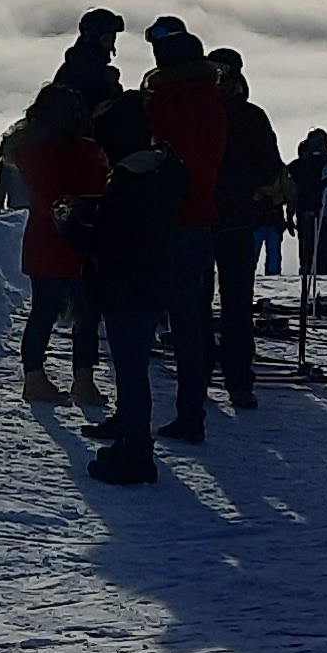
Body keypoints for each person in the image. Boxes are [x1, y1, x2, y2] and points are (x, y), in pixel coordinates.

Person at [60, 122, 185, 483]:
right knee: (134, 368)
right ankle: (133, 440)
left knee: (130, 372)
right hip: (152, 283)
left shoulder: (127, 182)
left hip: (124, 288)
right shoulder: (164, 170)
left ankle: (136, 453)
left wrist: (68, 224)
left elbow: (105, 238)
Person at [137, 24, 230, 442]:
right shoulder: (216, 105)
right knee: (193, 320)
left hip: (165, 220)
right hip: (203, 216)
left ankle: (133, 415)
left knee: (140, 316)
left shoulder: (160, 106)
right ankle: (192, 411)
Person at [9, 86, 110, 406]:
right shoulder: (82, 151)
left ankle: (35, 377)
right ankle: (83, 380)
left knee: (44, 311)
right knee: (86, 314)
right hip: (80, 236)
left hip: (44, 238)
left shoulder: (29, 151)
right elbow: (94, 186)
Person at [207, 48, 284, 411]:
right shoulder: (251, 117)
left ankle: (201, 374)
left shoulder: (197, 113)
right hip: (236, 220)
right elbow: (269, 169)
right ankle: (238, 381)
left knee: (197, 301)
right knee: (236, 304)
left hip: (200, 220)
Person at [290, 127, 327, 276]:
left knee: (319, 248)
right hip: (313, 212)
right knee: (313, 249)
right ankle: (314, 275)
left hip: (323, 213)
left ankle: (319, 275)